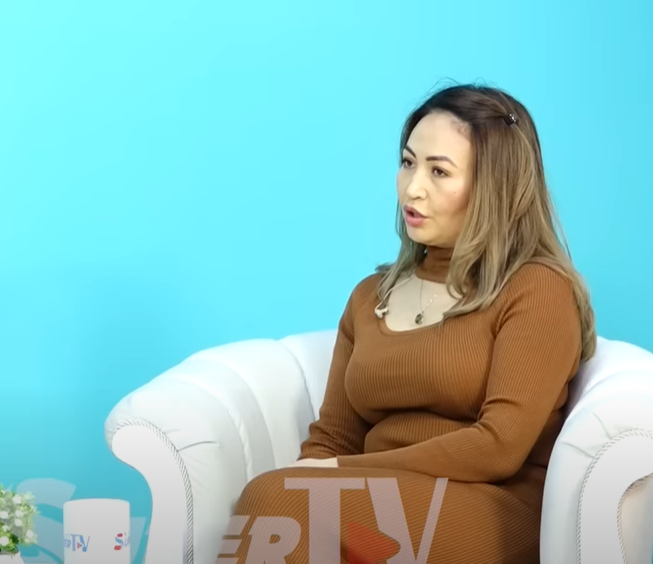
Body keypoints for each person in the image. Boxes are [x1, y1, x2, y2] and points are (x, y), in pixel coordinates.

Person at [224, 84, 596, 564]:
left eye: (439, 171)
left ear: (495, 186)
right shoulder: (370, 296)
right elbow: (334, 439)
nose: (412, 187)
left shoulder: (537, 289)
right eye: (407, 163)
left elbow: (498, 447)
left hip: (489, 506)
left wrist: (334, 475)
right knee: (280, 505)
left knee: (280, 503)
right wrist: (315, 474)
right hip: (377, 500)